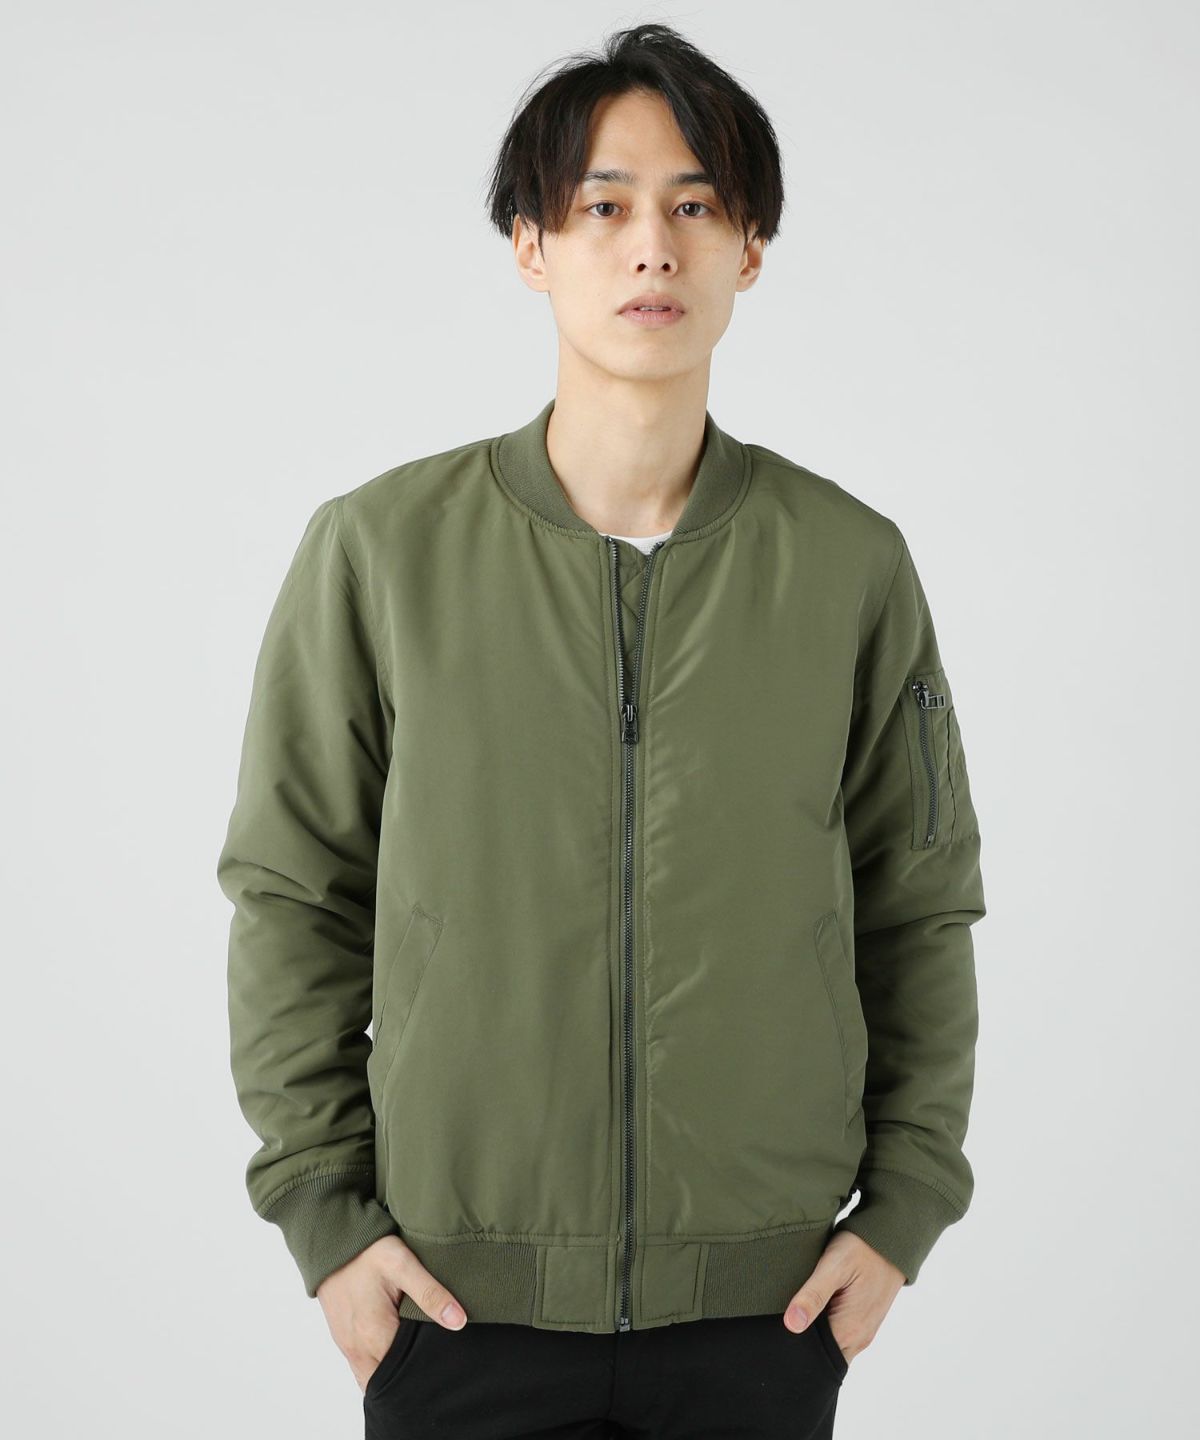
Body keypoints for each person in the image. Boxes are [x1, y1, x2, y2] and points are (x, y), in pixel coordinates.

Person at [216, 21, 986, 1439]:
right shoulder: (382, 553)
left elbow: (919, 903)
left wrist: (906, 1209)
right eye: (603, 207)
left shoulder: (847, 565)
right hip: (452, 1307)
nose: (652, 250)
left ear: (750, 249)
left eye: (696, 206)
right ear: (531, 244)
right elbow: (292, 894)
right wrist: (326, 1220)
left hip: (765, 1312)